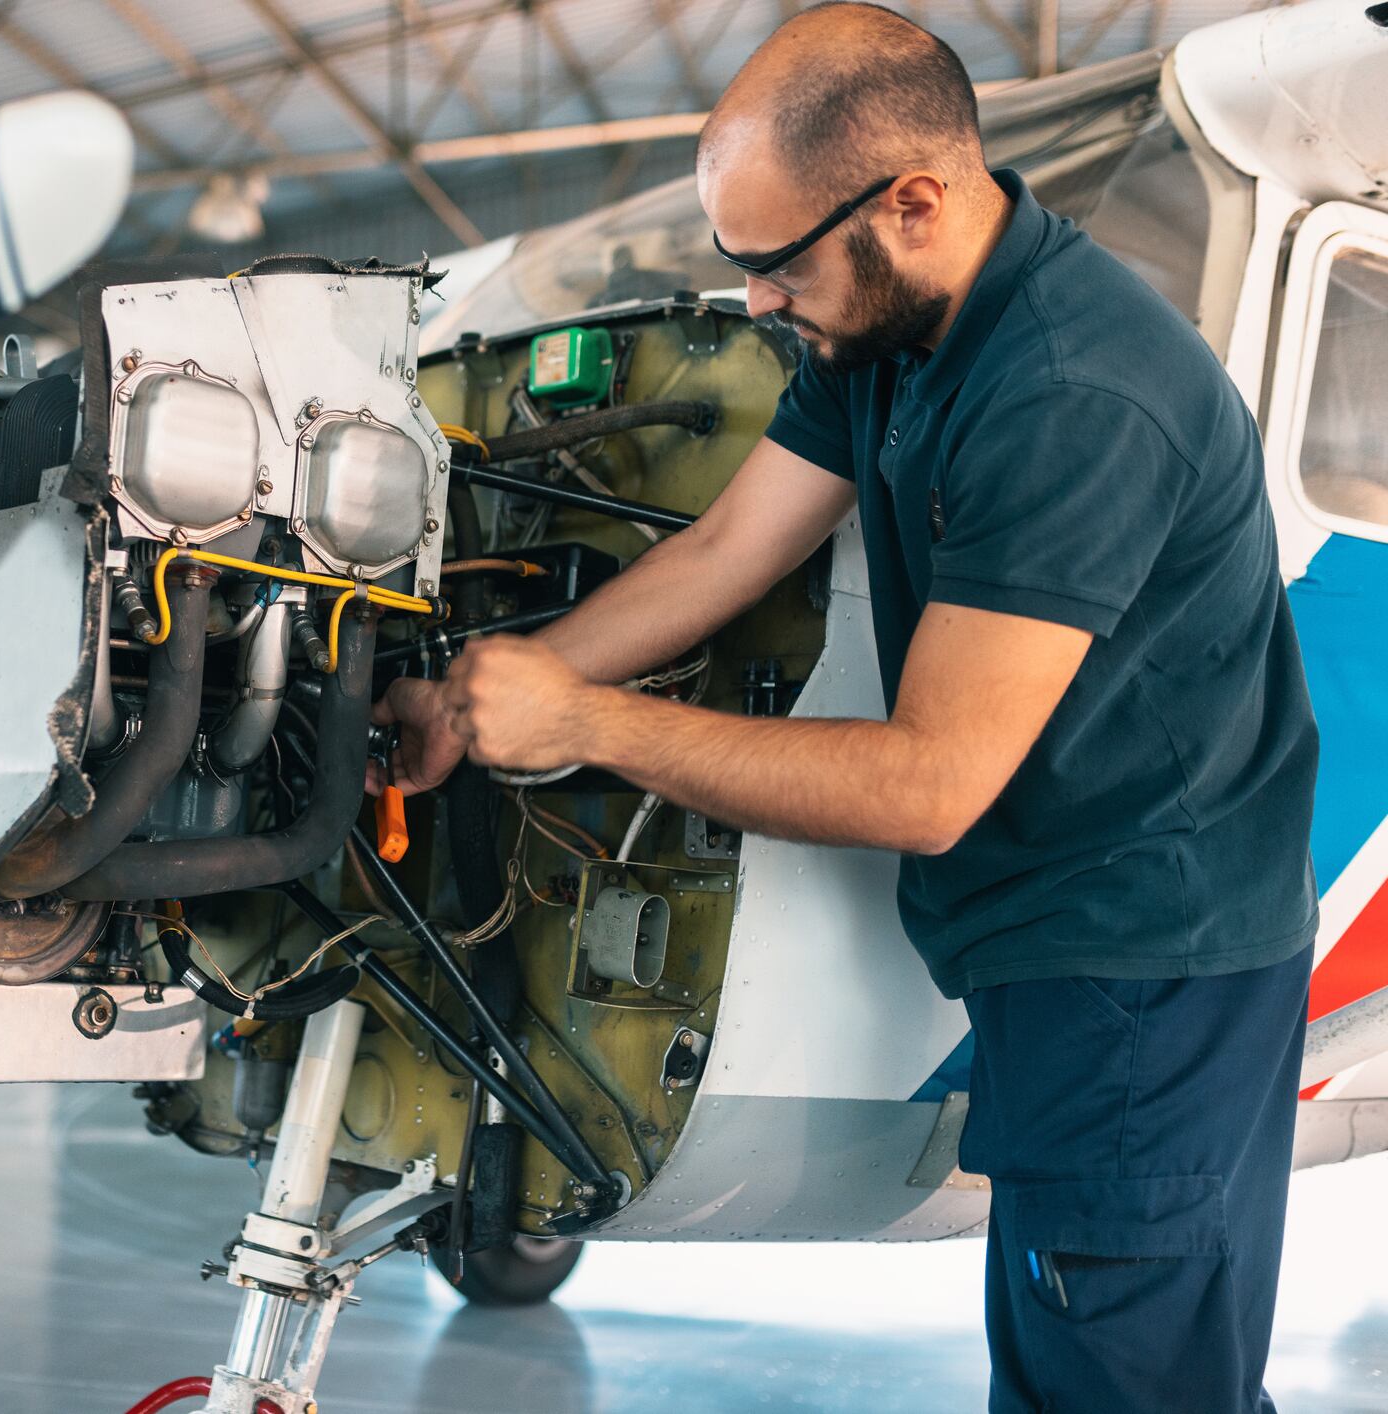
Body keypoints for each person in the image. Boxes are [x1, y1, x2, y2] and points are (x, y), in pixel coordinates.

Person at [369, 6, 1319, 1410]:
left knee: (1125, 1374)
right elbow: (725, 549)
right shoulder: (888, 326)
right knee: (1080, 1357)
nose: (755, 302)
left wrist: (594, 727)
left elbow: (928, 781)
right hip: (1059, 941)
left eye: (775, 263)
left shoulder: (1074, 390)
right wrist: (480, 693)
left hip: (1146, 963)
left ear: (916, 200)